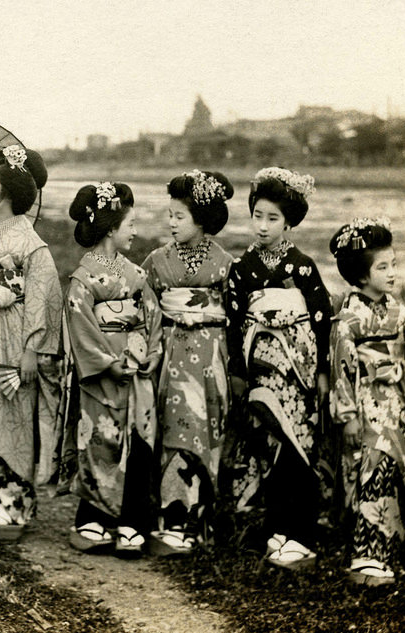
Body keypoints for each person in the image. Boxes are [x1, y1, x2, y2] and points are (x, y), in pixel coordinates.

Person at [224, 166, 331, 569]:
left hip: (296, 369)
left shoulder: (302, 266)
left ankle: (300, 534)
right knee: (266, 445)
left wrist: (321, 370)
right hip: (259, 368)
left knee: (297, 445)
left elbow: (320, 318)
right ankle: (275, 529)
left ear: (289, 223)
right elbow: (235, 322)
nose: (263, 226)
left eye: (273, 218)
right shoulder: (243, 268)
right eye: (258, 216)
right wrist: (238, 370)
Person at [59, 182, 162, 555]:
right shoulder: (82, 280)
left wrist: (152, 352)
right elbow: (81, 328)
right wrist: (107, 364)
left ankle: (133, 523)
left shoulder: (136, 275)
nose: (135, 231)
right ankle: (92, 519)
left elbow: (152, 317)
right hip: (103, 377)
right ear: (109, 228)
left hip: (136, 374)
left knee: (136, 444)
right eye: (130, 224)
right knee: (99, 443)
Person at [0, 145, 61, 540]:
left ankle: (14, 505)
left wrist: (31, 350)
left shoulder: (30, 242)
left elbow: (43, 296)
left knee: (14, 412)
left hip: (17, 330)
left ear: (9, 193)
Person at [141, 170, 234, 555]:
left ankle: (201, 521)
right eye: (170, 215)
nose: (172, 223)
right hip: (170, 352)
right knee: (173, 431)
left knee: (207, 432)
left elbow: (234, 313)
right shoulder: (155, 262)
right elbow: (146, 309)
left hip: (212, 354)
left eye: (180, 216)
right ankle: (171, 519)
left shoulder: (226, 264)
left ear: (202, 219)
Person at [328, 217, 405, 585]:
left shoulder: (400, 312)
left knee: (395, 469)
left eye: (394, 265)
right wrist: (347, 415)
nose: (392, 273)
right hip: (365, 402)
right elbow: (341, 368)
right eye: (383, 267)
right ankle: (366, 554)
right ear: (361, 276)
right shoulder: (347, 319)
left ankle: (390, 550)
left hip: (397, 400)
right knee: (371, 468)